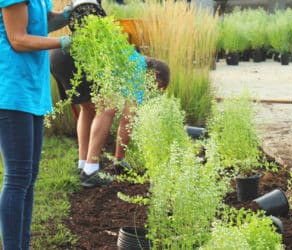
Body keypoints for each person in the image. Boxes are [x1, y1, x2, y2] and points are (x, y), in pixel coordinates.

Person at [0, 0, 72, 248]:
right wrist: (62, 43)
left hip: (32, 88)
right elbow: (18, 39)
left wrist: (67, 16)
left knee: (29, 176)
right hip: (12, 89)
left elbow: (43, 22)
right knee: (18, 176)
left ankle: (23, 244)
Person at [50, 48, 170, 188]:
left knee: (88, 109)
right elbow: (128, 119)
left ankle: (83, 165)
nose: (148, 91)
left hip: (58, 55)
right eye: (154, 87)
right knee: (108, 107)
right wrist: (119, 158)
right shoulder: (138, 69)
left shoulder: (131, 55)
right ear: (154, 75)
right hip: (75, 56)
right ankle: (90, 172)